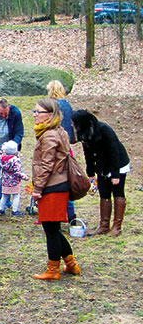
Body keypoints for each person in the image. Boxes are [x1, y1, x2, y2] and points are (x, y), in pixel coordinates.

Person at [30, 98, 80, 279]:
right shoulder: (58, 131)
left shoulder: (50, 134)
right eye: (34, 111)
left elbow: (47, 165)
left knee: (50, 229)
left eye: (38, 112)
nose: (35, 115)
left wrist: (38, 189)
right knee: (53, 228)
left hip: (52, 186)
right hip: (58, 185)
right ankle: (71, 264)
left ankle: (53, 270)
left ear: (50, 115)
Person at [72, 109, 130, 237]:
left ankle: (117, 227)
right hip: (103, 165)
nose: (72, 125)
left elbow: (114, 151)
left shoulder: (104, 130)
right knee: (104, 193)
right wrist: (91, 172)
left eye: (74, 123)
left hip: (118, 164)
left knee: (117, 192)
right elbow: (88, 154)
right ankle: (104, 225)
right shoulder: (84, 134)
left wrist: (115, 174)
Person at [0, 99, 25, 212]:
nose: (3, 116)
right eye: (0, 114)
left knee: (9, 176)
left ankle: (6, 201)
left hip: (9, 149)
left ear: (9, 110)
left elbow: (19, 133)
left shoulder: (15, 113)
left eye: (5, 114)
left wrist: (12, 148)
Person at [48, 80, 76, 221]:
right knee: (67, 179)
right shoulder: (67, 105)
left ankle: (55, 214)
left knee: (54, 180)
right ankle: (70, 214)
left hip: (54, 146)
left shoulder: (51, 105)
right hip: (67, 146)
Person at [0, 140, 29, 217]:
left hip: (5, 180)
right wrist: (24, 176)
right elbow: (18, 172)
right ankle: (15, 211)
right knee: (16, 196)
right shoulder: (15, 160)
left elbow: (2, 150)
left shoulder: (2, 158)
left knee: (4, 195)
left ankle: (1, 209)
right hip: (14, 181)